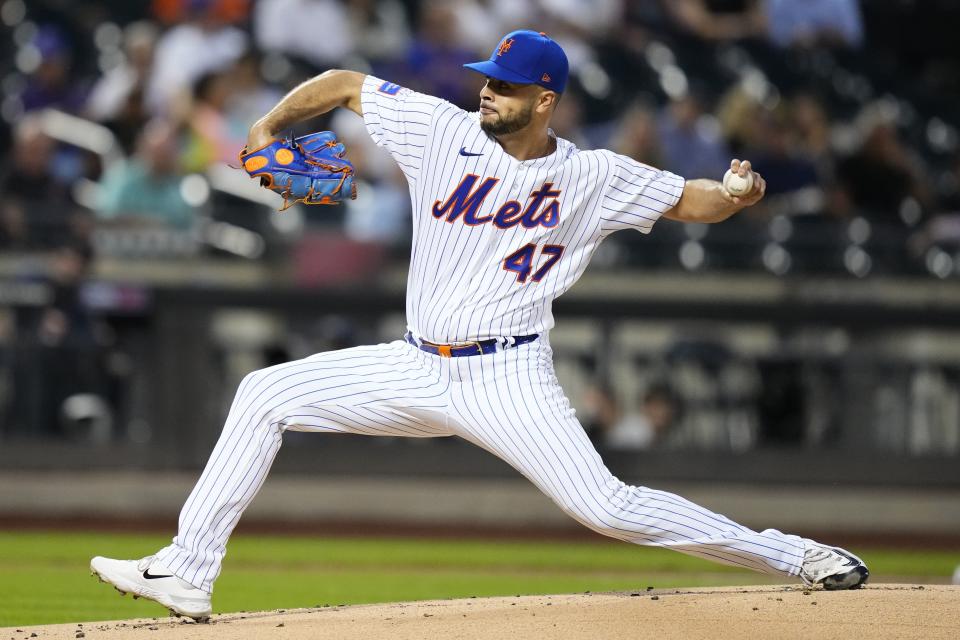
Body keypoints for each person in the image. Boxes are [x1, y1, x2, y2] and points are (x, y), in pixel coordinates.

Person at [90, 30, 868, 621]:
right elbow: (343, 83)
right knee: (263, 393)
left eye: (504, 86)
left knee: (607, 507)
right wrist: (265, 131)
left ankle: (794, 555)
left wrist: (732, 193)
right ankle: (189, 570)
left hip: (508, 375)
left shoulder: (591, 176)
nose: (488, 93)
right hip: (417, 364)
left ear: (546, 101)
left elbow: (688, 200)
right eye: (487, 82)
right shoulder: (440, 129)